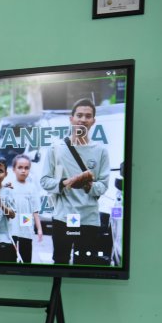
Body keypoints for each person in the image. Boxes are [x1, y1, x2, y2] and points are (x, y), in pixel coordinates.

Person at [40, 99, 110, 265]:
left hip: (88, 218)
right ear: (71, 119)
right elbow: (44, 181)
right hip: (63, 217)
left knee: (85, 264)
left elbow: (103, 185)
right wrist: (66, 182)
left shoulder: (101, 151)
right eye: (79, 115)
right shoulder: (55, 148)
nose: (83, 119)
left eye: (88, 116)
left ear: (93, 121)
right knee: (60, 261)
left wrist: (88, 186)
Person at [9, 154, 43, 263]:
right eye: (20, 167)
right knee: (10, 256)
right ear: (14, 169)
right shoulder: (9, 186)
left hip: (26, 222)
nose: (23, 171)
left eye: (26, 168)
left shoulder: (32, 188)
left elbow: (35, 210)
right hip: (11, 224)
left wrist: (39, 229)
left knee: (25, 255)